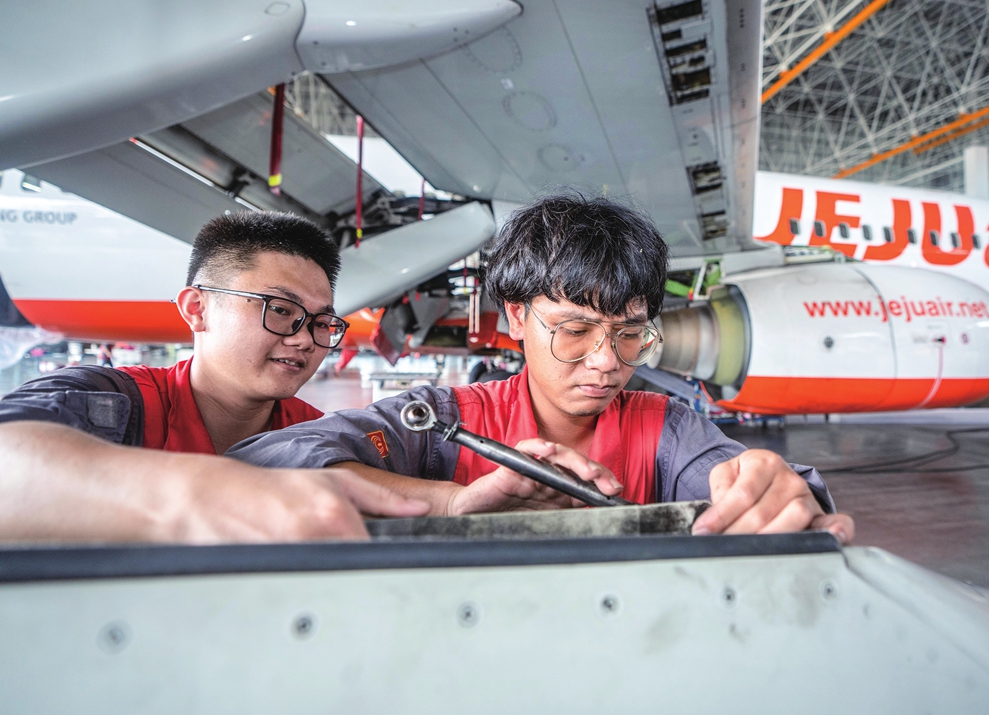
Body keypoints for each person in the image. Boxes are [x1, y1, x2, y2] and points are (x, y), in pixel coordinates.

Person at [230, 194, 854, 541]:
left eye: (631, 334)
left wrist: (766, 489)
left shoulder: (668, 429)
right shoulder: (442, 419)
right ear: (515, 319)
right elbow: (263, 460)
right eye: (575, 331)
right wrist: (454, 502)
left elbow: (726, 475)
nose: (608, 363)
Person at [0, 212, 429, 543]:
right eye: (280, 310)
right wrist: (202, 494)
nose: (305, 340)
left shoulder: (321, 434)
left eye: (321, 322)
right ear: (196, 308)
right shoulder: (112, 403)